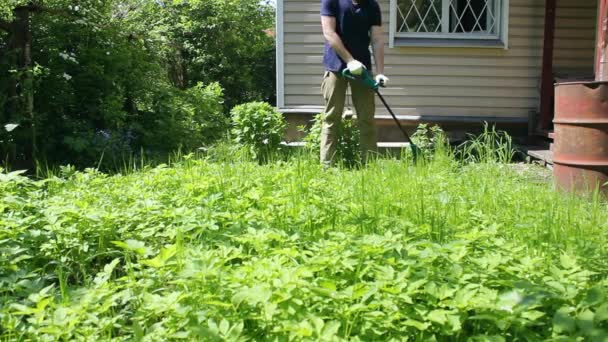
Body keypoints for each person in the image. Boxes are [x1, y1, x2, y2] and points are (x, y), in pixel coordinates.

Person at [320, 0, 388, 166]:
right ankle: (327, 167)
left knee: (367, 118)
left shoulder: (372, 5)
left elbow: (377, 38)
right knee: (332, 118)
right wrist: (350, 61)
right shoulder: (332, 1)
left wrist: (380, 72)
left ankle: (369, 165)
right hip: (336, 67)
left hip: (362, 70)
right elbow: (329, 32)